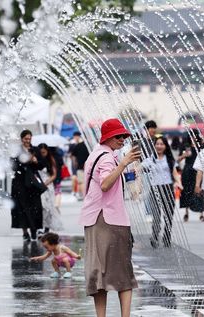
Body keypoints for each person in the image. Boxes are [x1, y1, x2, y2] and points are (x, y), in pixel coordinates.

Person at [79, 118, 141, 317]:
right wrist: (123, 164)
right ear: (109, 137)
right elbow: (105, 184)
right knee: (123, 272)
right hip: (109, 220)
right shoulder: (107, 157)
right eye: (119, 136)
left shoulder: (95, 155)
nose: (123, 139)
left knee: (98, 273)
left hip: (94, 218)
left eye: (124, 136)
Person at [142, 136, 183, 248]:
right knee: (156, 216)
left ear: (166, 146)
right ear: (154, 146)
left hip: (168, 188)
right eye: (157, 144)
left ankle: (167, 236)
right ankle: (155, 236)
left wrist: (179, 183)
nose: (159, 146)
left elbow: (174, 173)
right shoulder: (150, 160)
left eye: (162, 144)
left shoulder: (169, 159)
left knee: (168, 216)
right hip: (155, 189)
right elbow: (140, 168)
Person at [11, 130, 44, 242]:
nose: (27, 141)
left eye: (29, 139)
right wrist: (24, 161)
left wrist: (35, 161)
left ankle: (35, 230)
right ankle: (25, 232)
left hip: (33, 183)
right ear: (21, 139)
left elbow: (41, 165)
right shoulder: (16, 151)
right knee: (22, 207)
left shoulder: (35, 150)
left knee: (35, 207)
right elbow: (13, 166)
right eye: (26, 139)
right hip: (20, 183)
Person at [178, 130, 204, 222]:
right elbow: (177, 159)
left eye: (194, 135)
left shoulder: (201, 146)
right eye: (191, 135)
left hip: (198, 172)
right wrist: (184, 155)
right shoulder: (186, 146)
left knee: (199, 190)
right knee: (186, 191)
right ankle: (186, 212)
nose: (193, 137)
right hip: (188, 171)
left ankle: (201, 213)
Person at [37, 143, 63, 234]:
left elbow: (54, 174)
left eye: (44, 152)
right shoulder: (36, 160)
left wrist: (46, 183)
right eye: (41, 152)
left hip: (48, 185)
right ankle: (41, 226)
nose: (43, 154)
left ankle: (47, 227)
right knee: (41, 206)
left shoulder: (51, 160)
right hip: (39, 185)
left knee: (48, 207)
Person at [71, 132, 90, 199]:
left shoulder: (77, 146)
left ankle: (85, 197)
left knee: (81, 182)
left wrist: (74, 165)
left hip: (80, 167)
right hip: (89, 167)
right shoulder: (89, 145)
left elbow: (73, 157)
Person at [68, 131, 82, 197]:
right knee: (74, 177)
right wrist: (74, 161)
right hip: (74, 163)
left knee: (80, 178)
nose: (76, 137)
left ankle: (79, 191)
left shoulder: (82, 143)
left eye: (78, 136)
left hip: (81, 162)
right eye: (75, 136)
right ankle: (74, 191)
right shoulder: (72, 144)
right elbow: (70, 154)